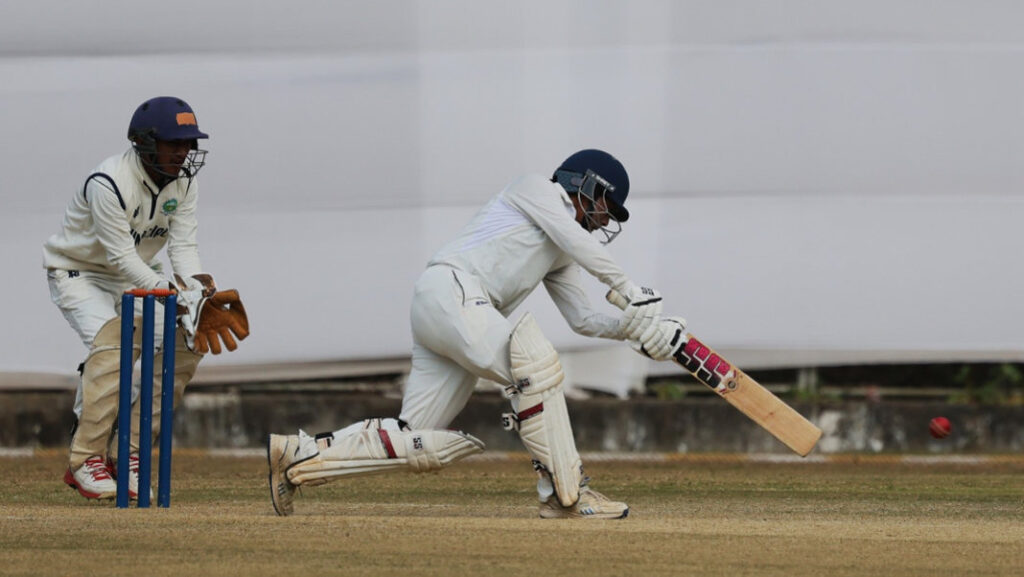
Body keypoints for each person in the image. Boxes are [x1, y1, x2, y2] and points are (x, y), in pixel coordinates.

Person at [267, 149, 684, 519]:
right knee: (535, 369)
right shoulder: (535, 189)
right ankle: (565, 495)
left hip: (452, 311)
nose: (606, 219)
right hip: (454, 292)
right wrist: (630, 290)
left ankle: (298, 454)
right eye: (607, 207)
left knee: (413, 435)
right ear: (585, 184)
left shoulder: (562, 248)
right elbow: (576, 240)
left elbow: (583, 319)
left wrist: (633, 331)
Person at [44, 96, 233, 501]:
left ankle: (128, 453)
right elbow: (121, 257)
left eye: (188, 144)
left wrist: (196, 294)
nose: (183, 152)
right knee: (114, 345)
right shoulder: (107, 181)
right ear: (144, 142)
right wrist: (171, 293)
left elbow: (183, 248)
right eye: (173, 143)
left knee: (187, 341)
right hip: (80, 273)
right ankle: (86, 458)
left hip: (140, 278)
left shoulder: (184, 183)